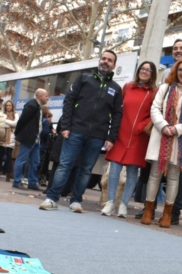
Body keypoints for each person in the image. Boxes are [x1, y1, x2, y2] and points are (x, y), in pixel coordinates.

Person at [40, 50, 123, 212]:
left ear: (114, 65)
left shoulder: (116, 88)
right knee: (65, 165)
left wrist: (111, 137)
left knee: (85, 170)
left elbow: (118, 114)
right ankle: (52, 198)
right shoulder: (84, 79)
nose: (105, 62)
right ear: (99, 61)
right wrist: (65, 126)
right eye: (103, 58)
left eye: (109, 60)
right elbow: (69, 101)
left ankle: (76, 201)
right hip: (75, 131)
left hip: (98, 136)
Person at [140, 58, 182, 227]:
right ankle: (148, 210)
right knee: (155, 174)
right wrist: (164, 126)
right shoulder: (165, 88)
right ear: (176, 72)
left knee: (174, 177)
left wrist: (177, 129)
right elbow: (154, 108)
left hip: (180, 138)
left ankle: (167, 215)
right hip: (161, 135)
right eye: (180, 70)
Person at [101, 61, 157, 218]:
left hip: (139, 137)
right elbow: (118, 109)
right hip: (121, 133)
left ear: (152, 74)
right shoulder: (127, 87)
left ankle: (124, 205)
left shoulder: (154, 92)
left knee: (133, 172)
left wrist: (142, 126)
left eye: (148, 70)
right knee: (114, 170)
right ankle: (110, 202)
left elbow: (155, 113)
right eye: (143, 69)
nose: (144, 71)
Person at [12, 89, 49, 191]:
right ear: (40, 96)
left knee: (35, 161)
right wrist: (18, 133)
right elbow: (22, 120)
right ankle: (17, 181)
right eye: (46, 96)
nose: (48, 98)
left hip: (36, 139)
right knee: (22, 160)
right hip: (29, 138)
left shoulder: (38, 107)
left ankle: (32, 183)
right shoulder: (32, 105)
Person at [0, 100, 18, 182]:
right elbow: (2, 124)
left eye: (9, 105)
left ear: (12, 106)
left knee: (8, 156)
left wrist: (5, 121)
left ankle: (8, 173)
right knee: (0, 155)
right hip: (2, 136)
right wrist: (10, 123)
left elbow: (15, 124)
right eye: (6, 105)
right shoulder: (2, 114)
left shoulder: (15, 114)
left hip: (11, 137)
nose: (8, 107)